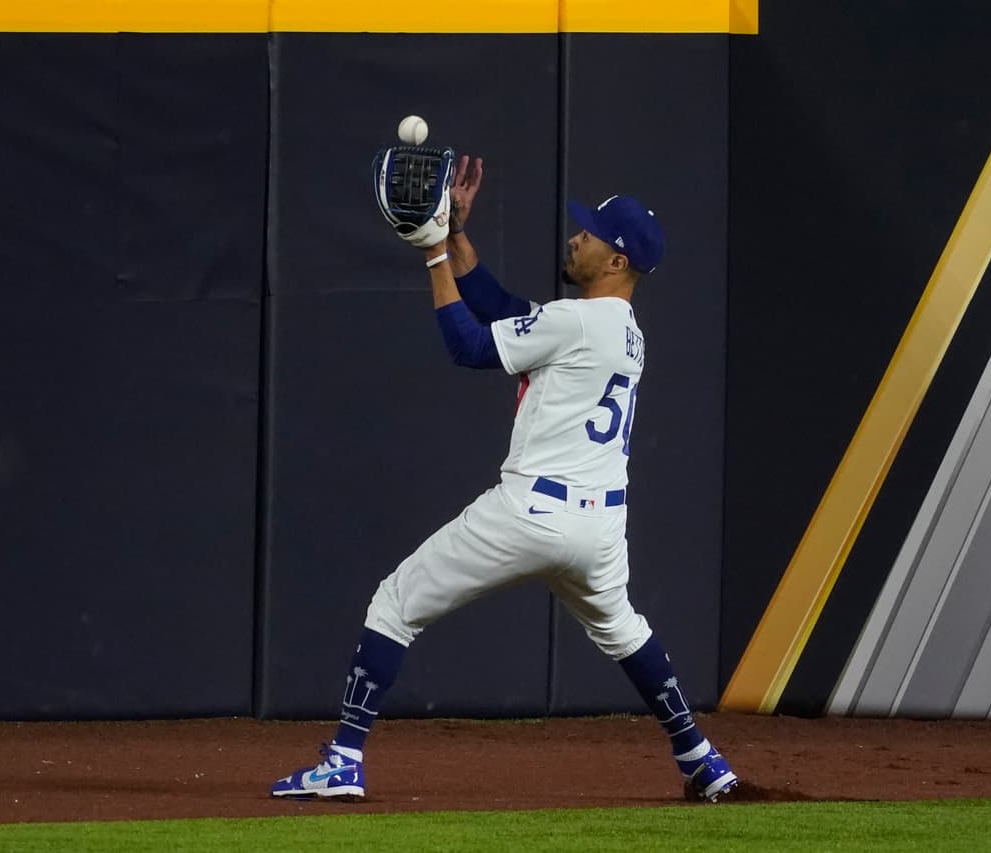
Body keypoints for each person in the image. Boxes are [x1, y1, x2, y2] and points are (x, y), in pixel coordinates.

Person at [271, 154, 739, 803]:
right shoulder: (623, 330)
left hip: (531, 511)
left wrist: (434, 253)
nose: (577, 235)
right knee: (625, 630)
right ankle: (701, 757)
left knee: (393, 604)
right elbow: (504, 312)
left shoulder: (578, 320)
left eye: (591, 233)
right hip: (600, 527)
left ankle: (344, 758)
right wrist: (457, 235)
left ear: (617, 262)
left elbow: (470, 346)